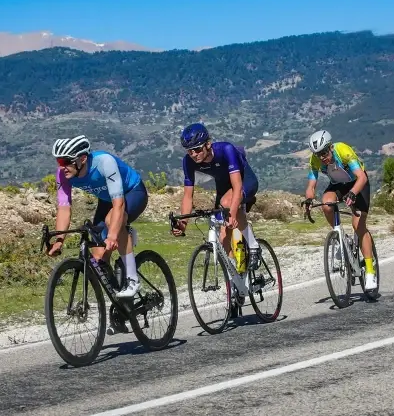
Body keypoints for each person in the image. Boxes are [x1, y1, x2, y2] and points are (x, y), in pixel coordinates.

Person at [47, 135, 148, 308]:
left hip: (132, 192)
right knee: (98, 258)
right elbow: (64, 208)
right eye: (59, 162)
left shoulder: (104, 162)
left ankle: (132, 280)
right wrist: (59, 240)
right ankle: (123, 307)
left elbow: (119, 203)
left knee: (112, 222)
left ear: (82, 159)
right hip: (107, 200)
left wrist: (114, 234)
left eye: (66, 161)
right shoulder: (63, 174)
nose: (62, 167)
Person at [170, 123, 262, 271]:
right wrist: (183, 222)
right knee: (223, 237)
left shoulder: (226, 150)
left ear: (208, 144)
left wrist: (232, 213)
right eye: (189, 151)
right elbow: (188, 196)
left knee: (228, 203)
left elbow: (237, 187)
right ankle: (236, 280)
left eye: (197, 149)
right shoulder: (188, 162)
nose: (194, 154)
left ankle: (253, 246)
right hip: (224, 186)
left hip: (244, 181)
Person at [302, 129, 378, 291]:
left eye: (324, 153)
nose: (322, 157)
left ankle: (370, 272)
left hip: (358, 184)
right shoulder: (315, 161)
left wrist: (353, 192)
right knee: (326, 204)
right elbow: (311, 184)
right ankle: (340, 238)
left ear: (330, 147)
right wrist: (309, 199)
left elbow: (362, 177)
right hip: (338, 184)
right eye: (317, 154)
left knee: (359, 226)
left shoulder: (342, 150)